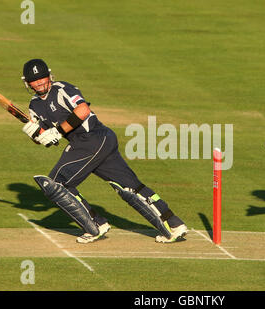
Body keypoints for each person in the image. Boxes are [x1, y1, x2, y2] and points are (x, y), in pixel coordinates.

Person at [20, 58, 187, 244]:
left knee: (57, 183)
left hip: (93, 138)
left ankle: (95, 225)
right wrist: (36, 135)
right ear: (28, 83)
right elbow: (47, 139)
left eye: (43, 77)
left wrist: (58, 131)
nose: (40, 82)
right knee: (130, 187)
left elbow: (83, 110)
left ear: (50, 76)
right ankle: (174, 225)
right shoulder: (34, 105)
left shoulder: (62, 89)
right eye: (35, 80)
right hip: (91, 143)